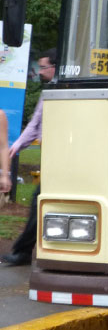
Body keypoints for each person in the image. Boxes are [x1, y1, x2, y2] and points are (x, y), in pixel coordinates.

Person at [1, 48, 56, 267]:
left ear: (55, 67)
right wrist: (17, 146)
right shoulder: (49, 91)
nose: (40, 72)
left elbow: (35, 124)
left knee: (38, 202)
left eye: (43, 67)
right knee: (38, 202)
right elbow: (35, 124)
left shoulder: (66, 91)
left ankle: (24, 252)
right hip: (51, 156)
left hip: (62, 157)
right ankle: (25, 251)